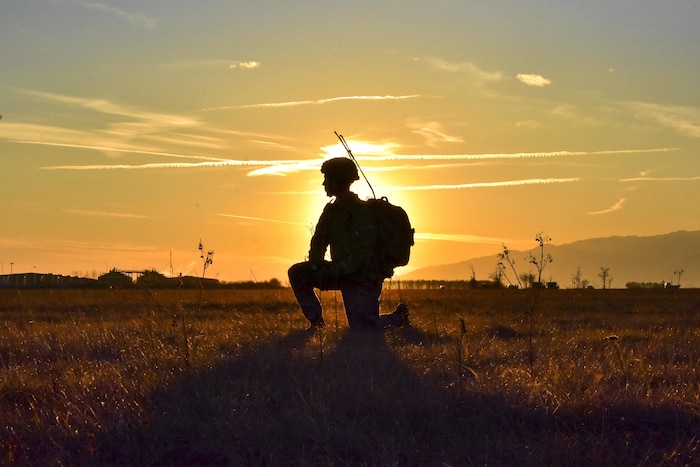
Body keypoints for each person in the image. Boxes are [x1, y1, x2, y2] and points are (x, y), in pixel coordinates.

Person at [288, 157, 409, 332]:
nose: (324, 184)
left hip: (364, 277)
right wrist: (316, 266)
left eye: (327, 179)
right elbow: (318, 244)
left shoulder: (362, 212)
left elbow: (362, 255)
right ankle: (317, 324)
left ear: (340, 180)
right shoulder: (331, 211)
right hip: (341, 272)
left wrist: (337, 271)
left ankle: (398, 317)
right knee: (298, 273)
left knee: (363, 329)